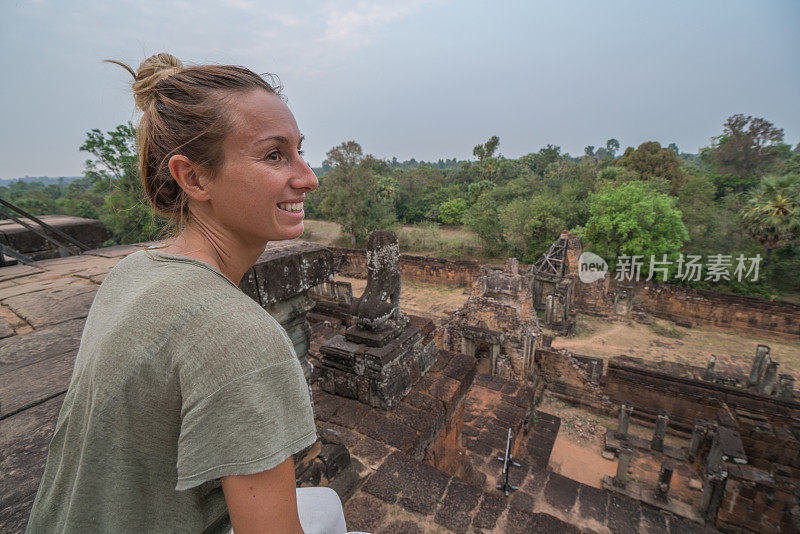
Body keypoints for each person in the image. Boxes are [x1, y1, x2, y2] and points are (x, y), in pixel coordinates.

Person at [26, 53, 357, 533]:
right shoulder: (240, 336)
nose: (308, 177)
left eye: (300, 151)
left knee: (323, 503)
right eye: (274, 155)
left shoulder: (132, 271)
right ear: (194, 177)